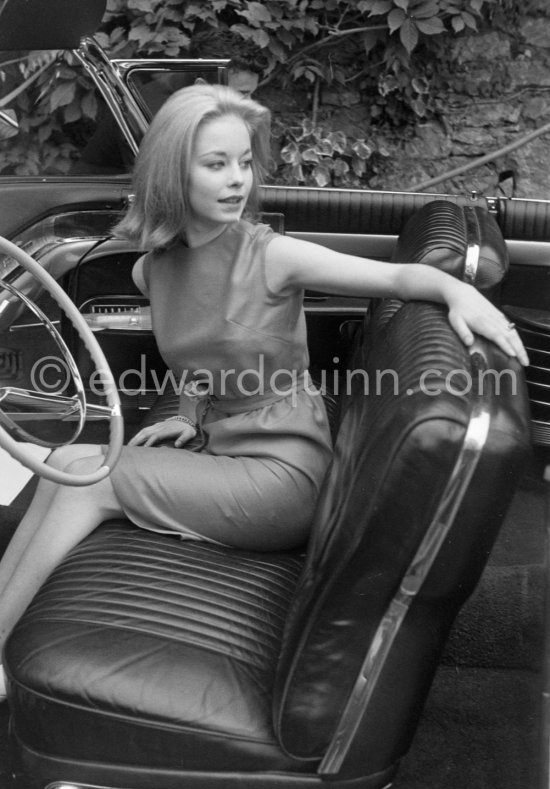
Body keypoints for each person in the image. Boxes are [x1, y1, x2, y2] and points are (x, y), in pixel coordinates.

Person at [0, 84, 528, 699]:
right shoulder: (153, 268)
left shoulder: (271, 255)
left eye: (245, 162)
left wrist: (462, 292)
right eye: (216, 164)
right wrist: (191, 414)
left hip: (284, 476)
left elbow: (399, 277)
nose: (238, 181)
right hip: (226, 447)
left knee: (93, 481)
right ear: (173, 175)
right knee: (65, 462)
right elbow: (196, 355)